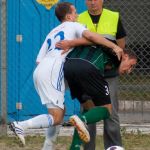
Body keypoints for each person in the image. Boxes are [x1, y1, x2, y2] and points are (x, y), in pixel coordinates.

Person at [9, 2, 123, 147]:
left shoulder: (52, 32)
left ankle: (47, 147)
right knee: (56, 117)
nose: (77, 15)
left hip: (41, 70)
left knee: (60, 112)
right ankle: (21, 125)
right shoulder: (73, 25)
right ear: (69, 16)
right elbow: (92, 37)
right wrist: (113, 46)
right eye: (74, 12)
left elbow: (39, 60)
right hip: (53, 71)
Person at [72, 0, 126, 149]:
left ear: (102, 0)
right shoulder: (79, 18)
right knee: (88, 111)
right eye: (89, 0)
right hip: (87, 74)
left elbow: (120, 45)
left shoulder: (114, 16)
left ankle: (113, 147)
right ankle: (88, 147)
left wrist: (112, 61)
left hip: (109, 73)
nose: (92, 2)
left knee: (111, 113)